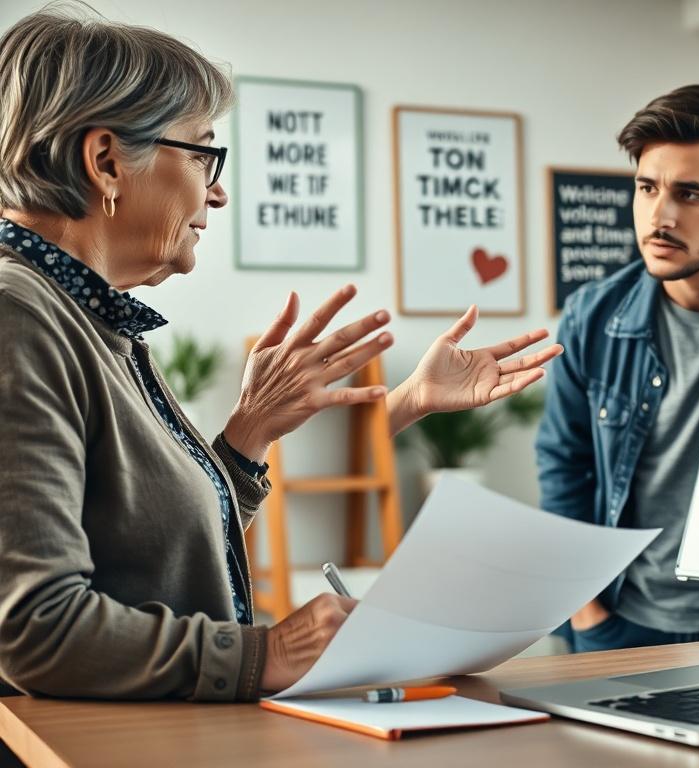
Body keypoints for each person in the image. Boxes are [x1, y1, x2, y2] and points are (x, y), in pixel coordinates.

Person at [0, 8, 561, 701]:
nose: (219, 188)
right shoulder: (18, 314)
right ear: (107, 161)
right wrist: (272, 651)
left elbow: (151, 559)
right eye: (203, 152)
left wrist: (250, 434)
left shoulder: (88, 319)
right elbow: (33, 630)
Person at [536, 84, 699, 653]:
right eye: (647, 188)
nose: (659, 216)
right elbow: (564, 467)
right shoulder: (593, 316)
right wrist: (587, 614)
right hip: (619, 625)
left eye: (690, 194)